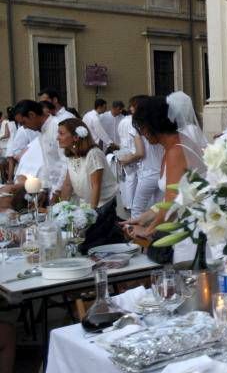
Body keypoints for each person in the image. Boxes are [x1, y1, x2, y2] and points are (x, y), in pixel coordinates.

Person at [122, 96, 205, 262]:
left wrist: (147, 231)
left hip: (190, 230)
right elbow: (173, 197)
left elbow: (172, 204)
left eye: (143, 129)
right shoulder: (173, 146)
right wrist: (143, 217)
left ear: (153, 125)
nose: (143, 135)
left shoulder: (176, 151)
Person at [14, 99, 75, 197]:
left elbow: (67, 162)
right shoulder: (41, 131)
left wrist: (57, 191)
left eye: (24, 122)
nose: (24, 127)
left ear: (32, 115)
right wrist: (44, 189)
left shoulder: (57, 127)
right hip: (54, 188)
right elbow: (47, 163)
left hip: (68, 188)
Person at [56, 119, 117, 209]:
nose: (57, 137)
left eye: (61, 133)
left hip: (103, 206)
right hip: (86, 206)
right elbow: (67, 185)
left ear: (76, 137)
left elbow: (96, 186)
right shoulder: (71, 157)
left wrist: (91, 214)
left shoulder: (93, 154)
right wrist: (61, 209)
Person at [115, 96, 147, 212]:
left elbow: (120, 136)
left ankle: (127, 202)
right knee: (133, 178)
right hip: (133, 151)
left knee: (127, 178)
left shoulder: (122, 121)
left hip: (124, 150)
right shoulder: (134, 121)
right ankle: (131, 204)